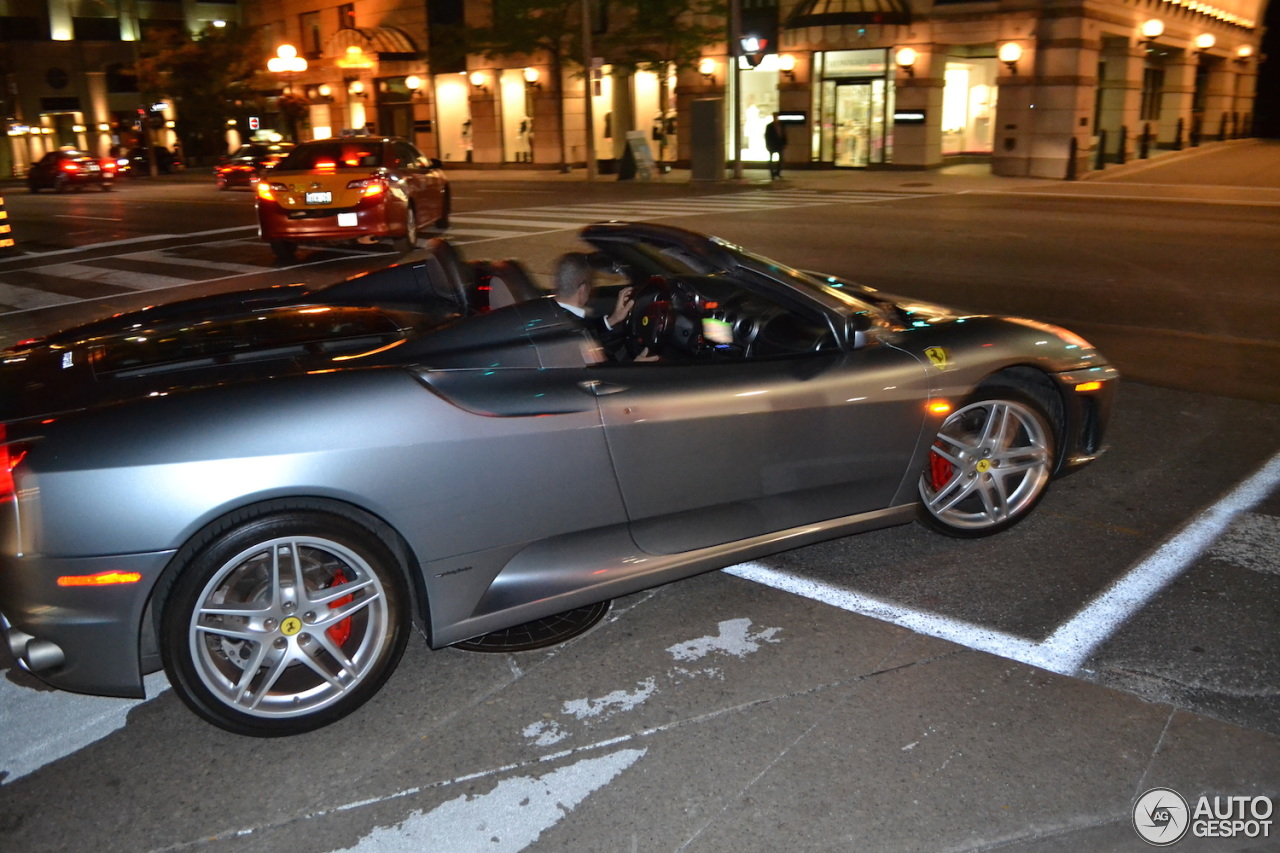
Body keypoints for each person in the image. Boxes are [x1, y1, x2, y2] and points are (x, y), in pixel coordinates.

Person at [553, 252, 655, 361]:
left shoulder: (553, 316)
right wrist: (636, 368)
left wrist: (613, 319)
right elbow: (603, 376)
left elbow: (586, 327)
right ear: (582, 290)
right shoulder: (577, 339)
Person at [764, 112, 787, 179]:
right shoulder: (769, 126)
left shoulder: (781, 125)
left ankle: (777, 173)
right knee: (771, 160)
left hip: (779, 145)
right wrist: (767, 145)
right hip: (772, 145)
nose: (776, 118)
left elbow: (784, 135)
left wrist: (785, 143)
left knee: (780, 160)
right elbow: (767, 136)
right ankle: (772, 174)